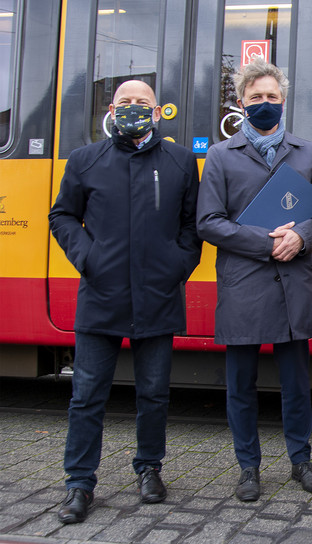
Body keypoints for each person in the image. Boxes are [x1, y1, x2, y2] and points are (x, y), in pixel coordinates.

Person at [49, 80, 202, 523]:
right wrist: (88, 257)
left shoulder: (179, 160)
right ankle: (79, 484)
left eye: (143, 103)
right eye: (125, 103)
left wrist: (177, 264)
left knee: (153, 394)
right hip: (101, 298)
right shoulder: (85, 159)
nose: (133, 109)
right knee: (86, 396)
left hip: (158, 296)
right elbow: (62, 216)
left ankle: (150, 468)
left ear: (158, 113)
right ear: (111, 111)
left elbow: (191, 224)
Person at [196, 59, 312, 502]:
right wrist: (267, 242)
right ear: (241, 104)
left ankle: (301, 461)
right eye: (256, 97)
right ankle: (249, 468)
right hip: (245, 283)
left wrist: (302, 235)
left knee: (297, 382)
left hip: (293, 281)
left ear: (283, 101)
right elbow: (208, 222)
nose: (265, 103)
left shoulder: (305, 151)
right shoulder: (221, 156)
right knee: (241, 384)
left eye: (272, 97)